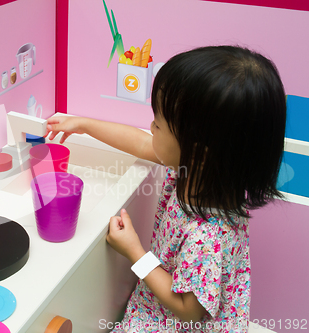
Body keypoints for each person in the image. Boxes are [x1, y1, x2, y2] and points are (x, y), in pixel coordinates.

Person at [45, 46, 286, 332]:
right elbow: (140, 142)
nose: (150, 126)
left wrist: (135, 252)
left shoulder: (206, 237)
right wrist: (84, 124)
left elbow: (189, 311)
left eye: (158, 125)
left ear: (197, 150)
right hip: (164, 299)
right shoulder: (199, 170)